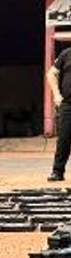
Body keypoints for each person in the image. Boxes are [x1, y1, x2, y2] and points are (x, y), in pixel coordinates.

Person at [47, 46, 71, 181]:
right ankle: (57, 171)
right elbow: (51, 73)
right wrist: (56, 94)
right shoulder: (66, 54)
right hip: (68, 104)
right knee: (64, 137)